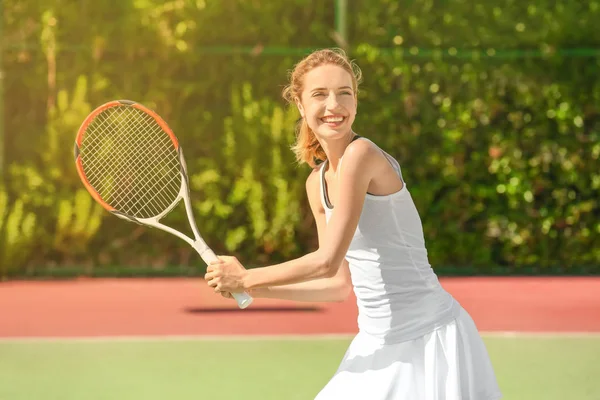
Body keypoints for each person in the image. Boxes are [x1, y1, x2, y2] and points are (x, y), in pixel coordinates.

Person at [204, 48, 502, 400]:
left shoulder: (361, 156)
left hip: (430, 340)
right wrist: (250, 289)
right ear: (300, 105)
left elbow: (326, 260)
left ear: (356, 101)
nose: (335, 105)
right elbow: (337, 285)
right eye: (320, 94)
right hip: (376, 344)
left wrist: (246, 277)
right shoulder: (316, 184)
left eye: (345, 93)